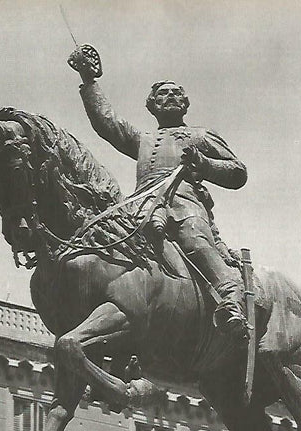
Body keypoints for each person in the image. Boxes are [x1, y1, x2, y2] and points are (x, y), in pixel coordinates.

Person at [68, 48, 249, 346]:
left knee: (195, 241)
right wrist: (89, 80)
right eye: (162, 94)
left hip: (185, 207)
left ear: (186, 103)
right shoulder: (143, 140)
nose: (170, 97)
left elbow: (237, 171)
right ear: (151, 105)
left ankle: (231, 299)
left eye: (176, 93)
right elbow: (106, 123)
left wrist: (203, 164)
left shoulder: (201, 135)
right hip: (141, 208)